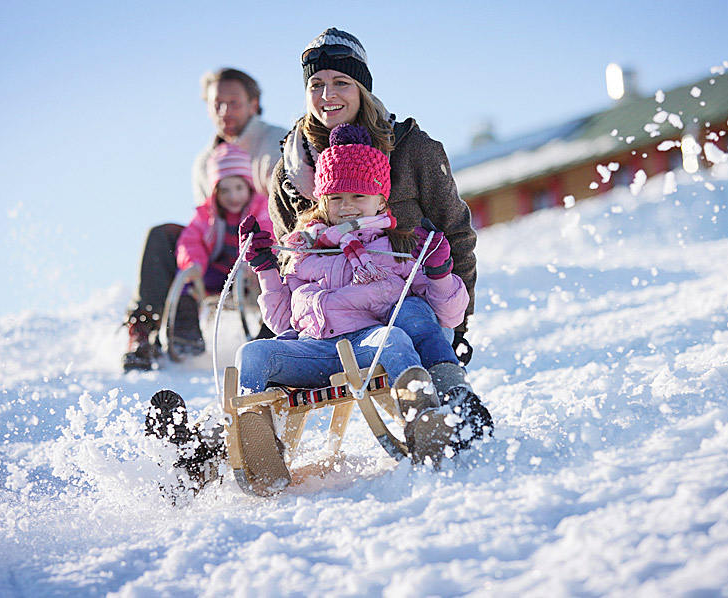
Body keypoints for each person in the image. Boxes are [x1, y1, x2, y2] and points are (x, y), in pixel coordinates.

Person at [146, 125, 488, 497]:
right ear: (322, 200)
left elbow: (448, 317)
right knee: (254, 352)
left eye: (360, 194)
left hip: (364, 347)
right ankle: (256, 440)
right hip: (312, 349)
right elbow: (280, 322)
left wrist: (440, 273)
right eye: (336, 196)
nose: (348, 205)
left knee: (396, 338)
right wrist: (266, 271)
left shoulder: (399, 247)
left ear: (381, 200)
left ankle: (422, 417)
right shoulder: (304, 251)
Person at [268, 28, 486, 427]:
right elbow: (290, 266)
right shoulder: (290, 172)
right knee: (262, 355)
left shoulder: (413, 150)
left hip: (404, 306)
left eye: (340, 83)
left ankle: (452, 406)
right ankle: (225, 439)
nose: (327, 95)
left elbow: (456, 235)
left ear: (362, 88)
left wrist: (460, 320)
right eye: (316, 84)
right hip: (331, 323)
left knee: (415, 315)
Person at [124, 68, 287, 371]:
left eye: (234, 102)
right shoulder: (204, 162)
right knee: (162, 236)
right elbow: (206, 222)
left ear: (253, 104)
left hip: (273, 246)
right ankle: (146, 332)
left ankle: (275, 338)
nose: (225, 111)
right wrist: (193, 264)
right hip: (222, 253)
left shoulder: (276, 142)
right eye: (217, 104)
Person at [168, 143, 273, 355]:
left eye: (238, 188)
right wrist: (193, 264)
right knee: (185, 277)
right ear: (215, 191)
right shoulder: (206, 214)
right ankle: (186, 332)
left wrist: (256, 263)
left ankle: (269, 332)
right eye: (225, 190)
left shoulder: (261, 208)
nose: (232, 196)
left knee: (274, 279)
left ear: (249, 187)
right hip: (216, 273)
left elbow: (268, 232)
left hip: (249, 275)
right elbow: (190, 240)